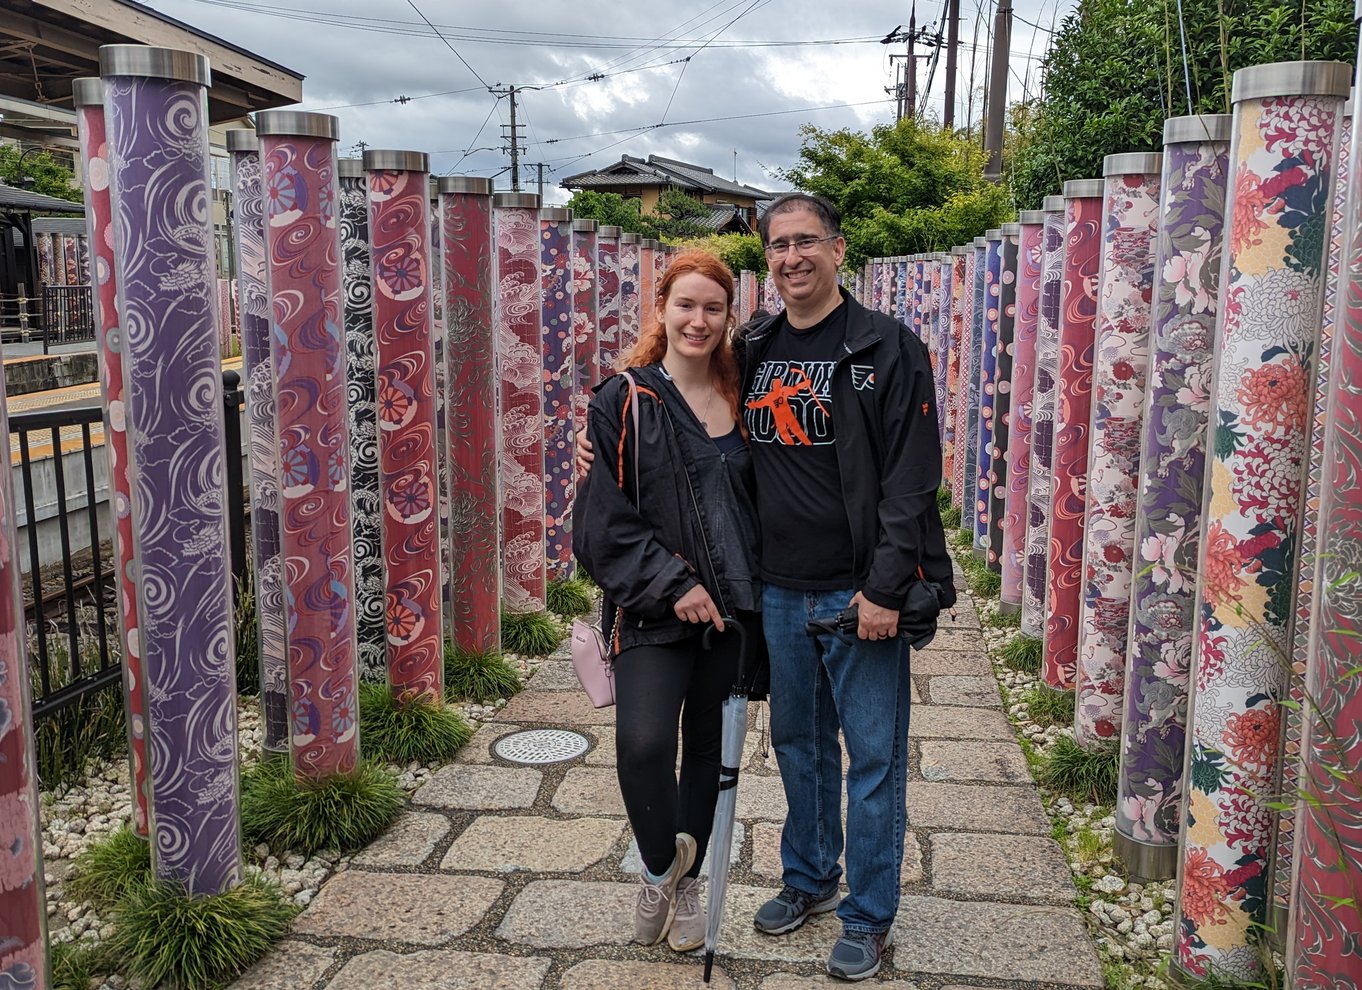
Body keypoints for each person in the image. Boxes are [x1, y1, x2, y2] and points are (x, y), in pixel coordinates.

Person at [577, 193, 953, 981]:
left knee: (874, 758)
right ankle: (810, 879)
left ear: (838, 249)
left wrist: (887, 587)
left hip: (858, 592)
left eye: (806, 242)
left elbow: (914, 482)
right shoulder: (757, 347)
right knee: (796, 748)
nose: (791, 258)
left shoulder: (887, 348)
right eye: (778, 246)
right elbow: (688, 423)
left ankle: (869, 914)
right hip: (776, 591)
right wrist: (602, 445)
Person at [573, 249, 763, 954]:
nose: (699, 320)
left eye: (713, 308)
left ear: (727, 317)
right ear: (662, 309)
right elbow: (599, 522)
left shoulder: (745, 397)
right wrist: (673, 584)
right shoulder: (623, 399)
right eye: (686, 305)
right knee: (644, 744)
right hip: (652, 609)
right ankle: (662, 865)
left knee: (709, 751)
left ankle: (686, 894)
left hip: (732, 610)